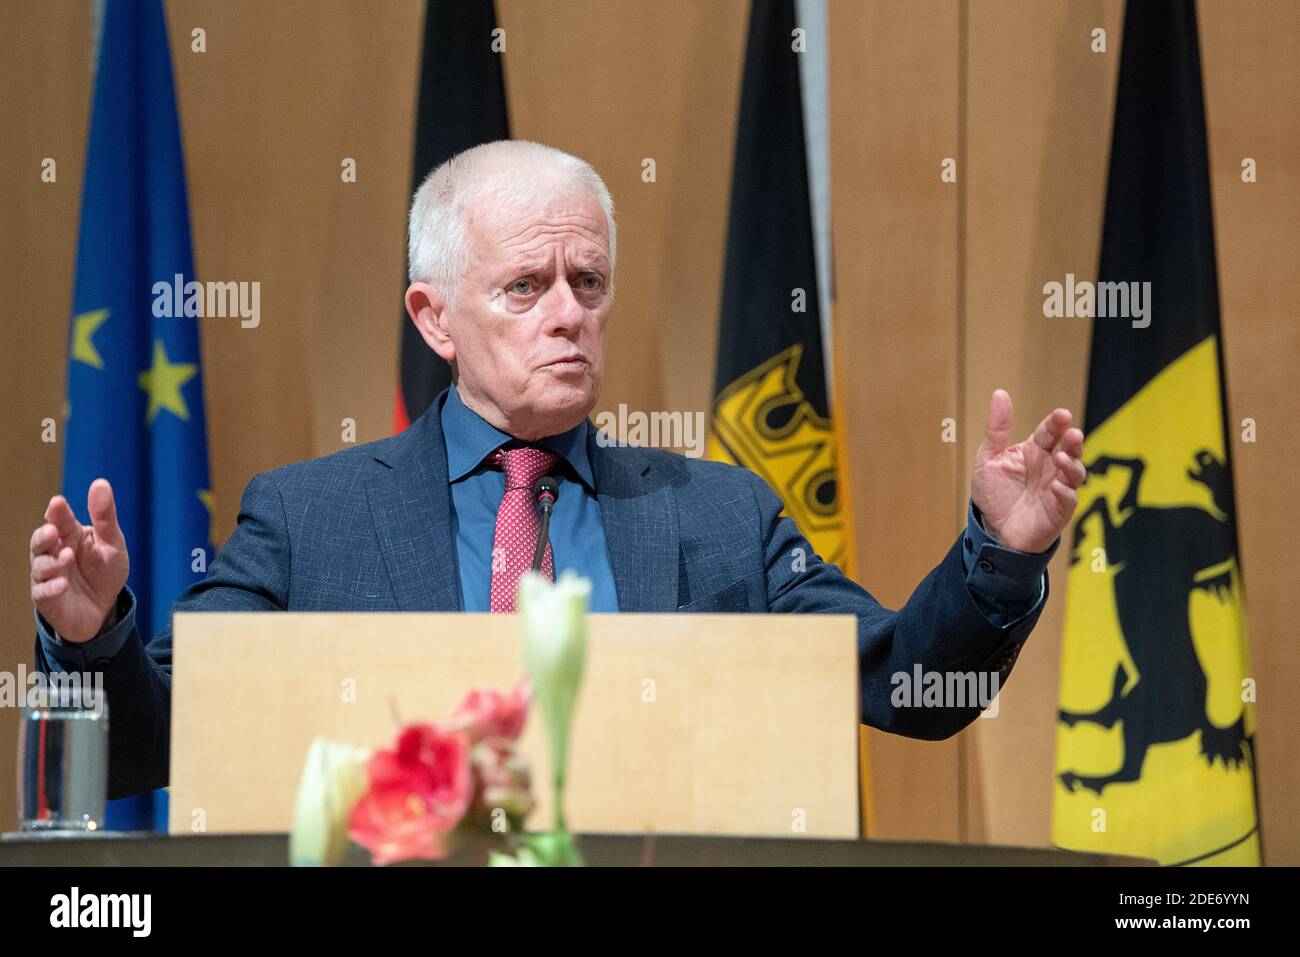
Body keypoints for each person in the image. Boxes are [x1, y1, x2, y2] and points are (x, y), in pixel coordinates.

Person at [30, 140, 1087, 798]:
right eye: (525, 286)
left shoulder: (720, 514)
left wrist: (1001, 553)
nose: (569, 314)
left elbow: (911, 686)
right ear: (432, 317)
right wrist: (93, 639)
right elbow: (153, 744)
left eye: (587, 281)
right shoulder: (311, 517)